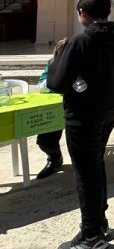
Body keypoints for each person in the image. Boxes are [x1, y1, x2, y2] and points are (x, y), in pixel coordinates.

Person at [48, 0, 114, 249]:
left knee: (86, 172)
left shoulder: (80, 41)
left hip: (85, 113)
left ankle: (91, 236)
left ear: (82, 13)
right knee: (95, 164)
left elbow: (56, 82)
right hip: (111, 106)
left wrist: (58, 60)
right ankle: (99, 221)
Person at [35, 37, 69, 179]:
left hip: (77, 108)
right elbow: (40, 87)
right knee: (45, 141)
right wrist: (55, 75)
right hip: (55, 108)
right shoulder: (52, 64)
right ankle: (54, 158)